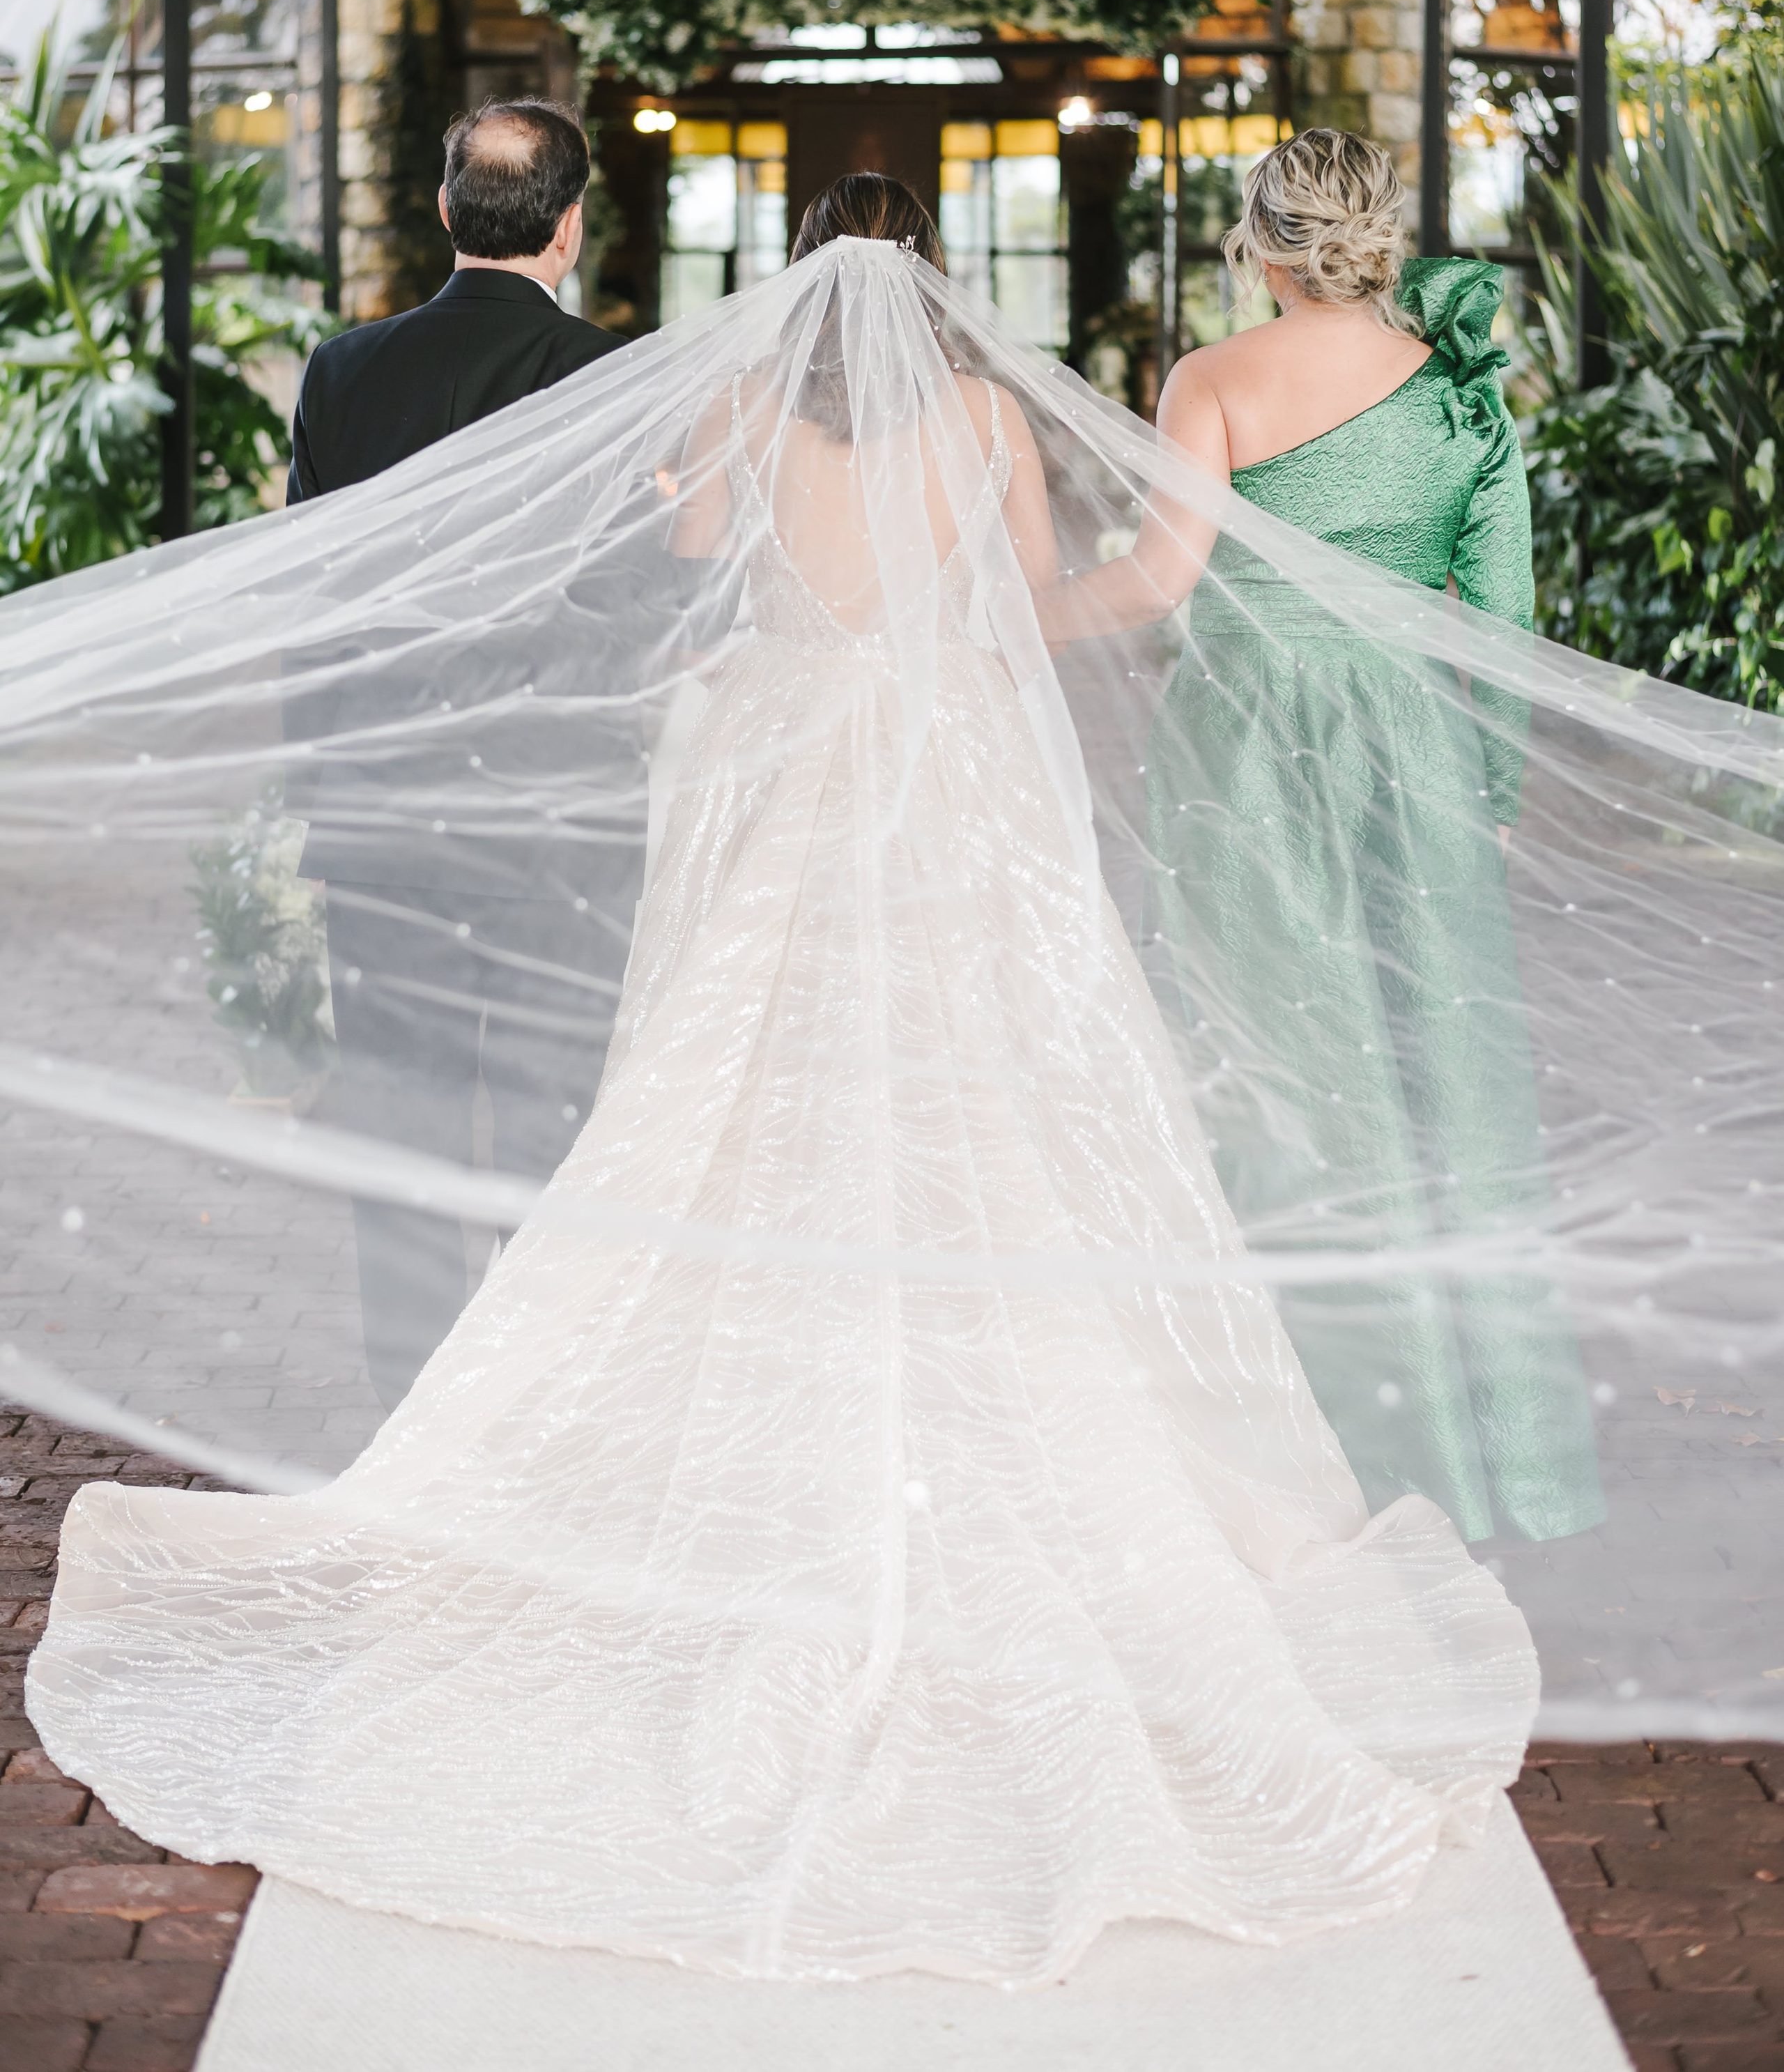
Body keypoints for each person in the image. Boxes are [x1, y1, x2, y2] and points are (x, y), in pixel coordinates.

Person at [28, 174, 1539, 1986]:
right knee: (991, 1073)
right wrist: (968, 625)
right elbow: (1031, 586)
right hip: (945, 745)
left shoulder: (742, 406)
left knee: (732, 1080)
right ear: (925, 282)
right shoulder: (988, 411)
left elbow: (692, 561)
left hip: (782, 745)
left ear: (804, 276)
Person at [1036, 128, 1604, 1544]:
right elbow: (1502, 616)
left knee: (1270, 1065)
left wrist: (1000, 606)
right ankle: (1485, 1454)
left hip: (1247, 749)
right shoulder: (1465, 396)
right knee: (1439, 1076)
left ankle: (1290, 1449)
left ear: (1260, 241)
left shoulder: (1211, 380)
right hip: (1411, 751)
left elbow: (1157, 581)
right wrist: (1483, 781)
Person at [284, 96, 639, 1408]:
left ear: (445, 213)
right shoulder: (610, 376)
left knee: (405, 1143)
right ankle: (535, 1418)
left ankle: (413, 1423)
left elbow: (309, 600)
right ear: (568, 224)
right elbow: (634, 606)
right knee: (554, 1140)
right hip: (558, 817)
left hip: (381, 813)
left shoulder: (341, 370)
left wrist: (313, 784)